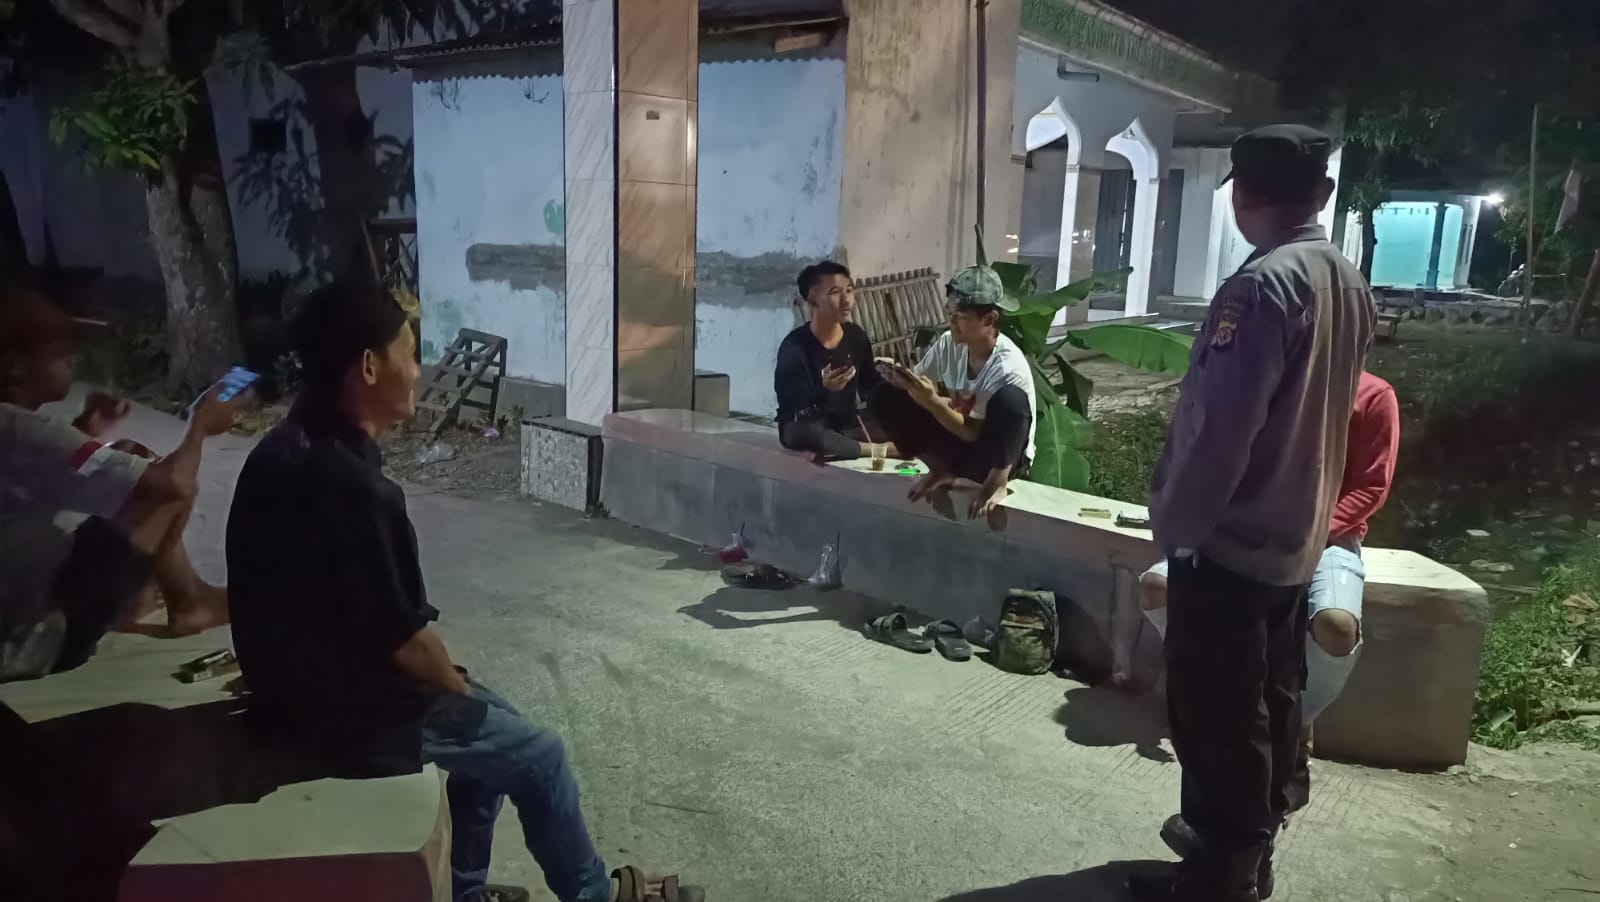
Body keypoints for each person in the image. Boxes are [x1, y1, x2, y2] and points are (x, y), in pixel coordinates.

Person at [226, 281, 704, 902]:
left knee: (498, 730)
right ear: (368, 366)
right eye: (409, 354)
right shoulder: (351, 487)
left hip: (297, 690)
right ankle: (596, 895)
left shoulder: (285, 448)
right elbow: (402, 639)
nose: (418, 371)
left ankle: (465, 892)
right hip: (340, 715)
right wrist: (454, 685)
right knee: (538, 754)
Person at [1131, 125, 1376, 902]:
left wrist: (1180, 531)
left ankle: (1221, 875)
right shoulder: (1346, 279)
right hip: (1296, 540)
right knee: (1271, 701)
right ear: (1323, 194)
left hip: (1230, 542)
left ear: (1240, 195)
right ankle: (1251, 850)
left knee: (1217, 716)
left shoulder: (1262, 285)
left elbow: (1221, 431)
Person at [1139, 369, 1400, 851]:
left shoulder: (1373, 396)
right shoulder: (1274, 381)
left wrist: (1308, 532)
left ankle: (1300, 722)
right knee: (1159, 587)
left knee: (1335, 626)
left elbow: (1371, 486)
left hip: (1326, 538)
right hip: (1248, 535)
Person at [0, 283, 239, 682]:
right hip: (33, 641)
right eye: (61, 351)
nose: (75, 359)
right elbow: (171, 486)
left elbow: (40, 470)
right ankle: (189, 604)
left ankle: (152, 597)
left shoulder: (14, 430)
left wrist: (85, 430)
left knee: (129, 455)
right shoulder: (24, 430)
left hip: (16, 602)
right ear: (14, 365)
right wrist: (201, 426)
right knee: (160, 490)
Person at [868, 264, 1036, 520]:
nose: (952, 321)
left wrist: (932, 402)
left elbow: (973, 432)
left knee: (1011, 401)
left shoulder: (1006, 367)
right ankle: (940, 469)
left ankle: (996, 484)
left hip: (994, 459)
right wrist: (901, 381)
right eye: (949, 312)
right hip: (961, 450)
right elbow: (921, 385)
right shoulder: (948, 343)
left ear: (989, 319)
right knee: (884, 396)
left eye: (961, 316)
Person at [774, 261, 890, 460]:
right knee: (810, 434)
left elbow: (870, 387)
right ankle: (880, 450)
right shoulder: (794, 347)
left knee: (901, 420)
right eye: (835, 292)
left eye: (849, 290)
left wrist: (894, 383)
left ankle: (854, 445)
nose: (846, 300)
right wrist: (824, 388)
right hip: (806, 424)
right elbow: (792, 406)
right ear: (812, 298)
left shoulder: (856, 337)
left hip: (846, 424)